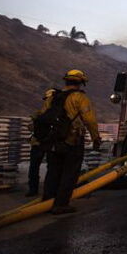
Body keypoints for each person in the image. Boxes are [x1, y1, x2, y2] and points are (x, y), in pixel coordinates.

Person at [41, 69, 101, 214]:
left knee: (53, 171)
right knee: (69, 173)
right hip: (72, 141)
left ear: (66, 81)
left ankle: (47, 202)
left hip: (53, 141)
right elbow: (90, 120)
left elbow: (42, 116)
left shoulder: (52, 97)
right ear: (81, 83)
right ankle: (61, 204)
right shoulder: (80, 98)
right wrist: (95, 138)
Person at [25, 89, 55, 197]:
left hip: (37, 142)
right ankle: (49, 190)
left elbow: (30, 127)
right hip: (49, 143)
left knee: (34, 167)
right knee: (52, 168)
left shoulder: (39, 113)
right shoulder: (56, 113)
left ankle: (33, 189)